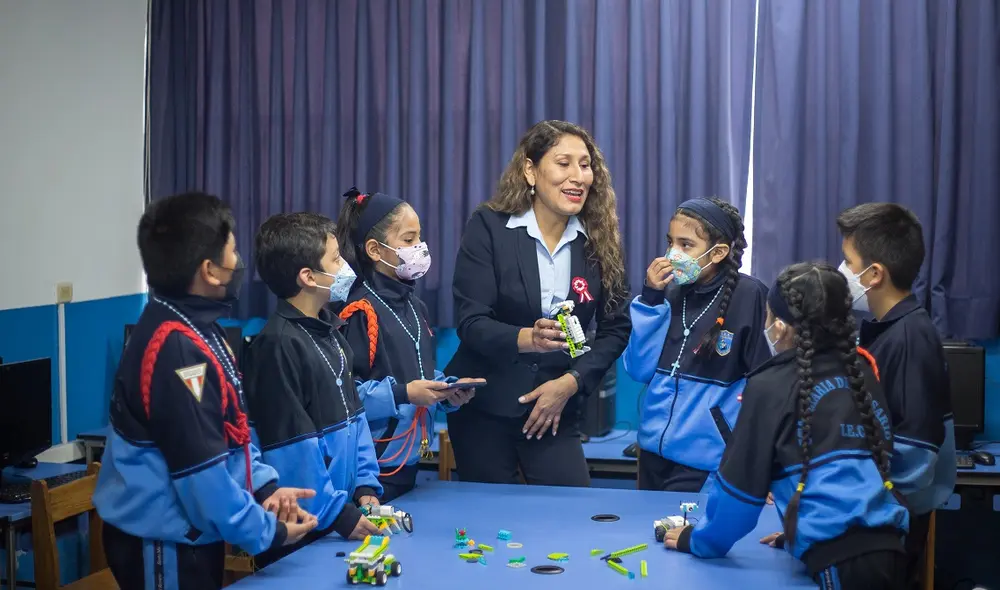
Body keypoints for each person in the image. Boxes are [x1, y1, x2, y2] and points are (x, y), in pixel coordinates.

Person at [92, 193, 318, 589]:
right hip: (166, 545)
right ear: (210, 271)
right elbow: (203, 478)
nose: (239, 264)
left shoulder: (199, 328)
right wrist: (269, 533)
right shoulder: (176, 349)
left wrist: (265, 488)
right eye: (232, 253)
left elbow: (232, 433)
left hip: (193, 536)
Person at [664, 262, 910, 589]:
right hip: (892, 545)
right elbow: (849, 474)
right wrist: (800, 530)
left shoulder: (770, 384)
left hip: (841, 562)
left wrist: (697, 541)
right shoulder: (861, 368)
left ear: (779, 327)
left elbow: (738, 500)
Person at [445, 120, 631, 486]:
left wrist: (571, 382)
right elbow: (472, 321)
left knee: (569, 516)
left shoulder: (599, 240)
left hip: (556, 407)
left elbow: (616, 329)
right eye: (563, 163)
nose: (578, 176)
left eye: (585, 164)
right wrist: (527, 338)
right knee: (489, 530)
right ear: (530, 170)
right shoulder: (490, 227)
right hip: (485, 407)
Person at [243, 212, 385, 550]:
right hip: (303, 525)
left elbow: (357, 417)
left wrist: (365, 484)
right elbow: (291, 450)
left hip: (338, 517)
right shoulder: (276, 345)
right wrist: (339, 514)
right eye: (336, 259)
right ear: (308, 276)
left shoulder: (330, 330)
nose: (346, 268)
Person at [836, 203, 955, 587]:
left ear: (874, 274)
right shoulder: (885, 331)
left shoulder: (909, 339)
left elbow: (914, 458)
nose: (843, 273)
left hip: (884, 530)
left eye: (848, 262)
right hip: (870, 523)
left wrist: (850, 516)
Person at [334, 188, 477, 502]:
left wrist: (445, 390)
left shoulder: (416, 307)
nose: (420, 248)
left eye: (420, 238)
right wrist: (405, 393)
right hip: (369, 474)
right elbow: (345, 398)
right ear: (375, 249)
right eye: (409, 240)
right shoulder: (359, 311)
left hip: (411, 461)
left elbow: (416, 374)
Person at [624, 197, 769, 492]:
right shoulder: (669, 294)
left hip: (705, 461)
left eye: (686, 245)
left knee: (681, 535)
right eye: (671, 242)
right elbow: (638, 370)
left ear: (718, 253)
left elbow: (768, 387)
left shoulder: (750, 295)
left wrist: (765, 467)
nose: (672, 254)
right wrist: (651, 298)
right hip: (652, 453)